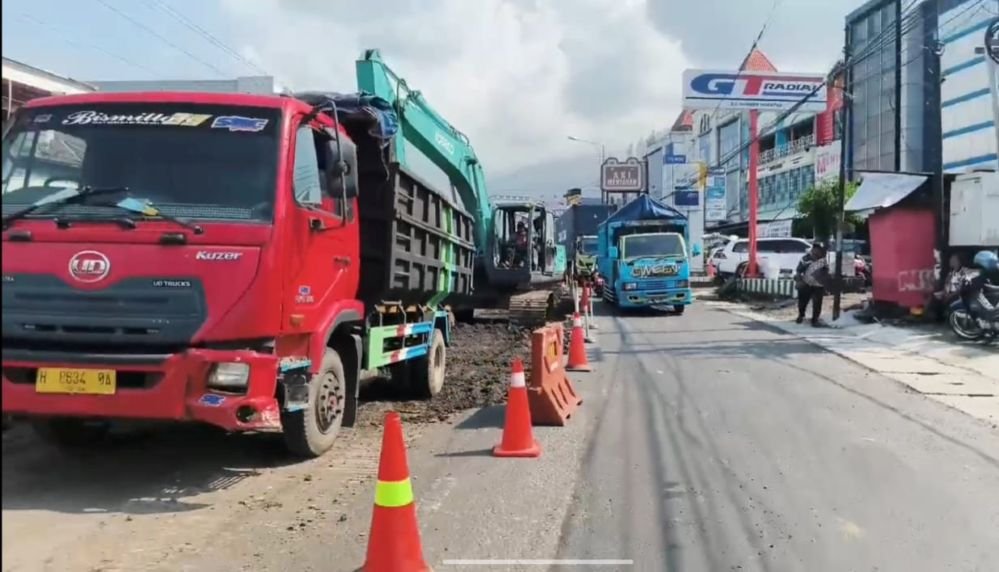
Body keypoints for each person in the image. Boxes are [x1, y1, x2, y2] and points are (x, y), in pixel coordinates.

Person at [794, 242, 829, 326]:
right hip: (806, 283)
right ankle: (801, 315)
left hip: (818, 285)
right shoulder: (806, 259)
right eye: (817, 249)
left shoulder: (825, 260)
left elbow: (828, 272)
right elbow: (799, 270)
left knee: (817, 303)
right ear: (813, 249)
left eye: (820, 250)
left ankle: (815, 320)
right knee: (803, 301)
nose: (818, 251)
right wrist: (799, 278)